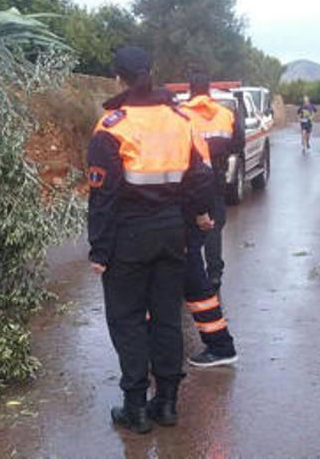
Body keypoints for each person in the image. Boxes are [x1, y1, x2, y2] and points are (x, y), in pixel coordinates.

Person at [88, 47, 215, 434]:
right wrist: (197, 219)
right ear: (150, 73)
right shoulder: (180, 120)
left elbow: (103, 196)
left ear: (117, 79)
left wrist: (99, 249)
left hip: (128, 237)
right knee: (166, 319)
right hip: (171, 233)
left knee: (127, 321)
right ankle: (168, 404)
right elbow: (199, 178)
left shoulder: (111, 127)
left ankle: (135, 408)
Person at [178, 69, 240, 368]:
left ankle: (189, 278)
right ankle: (213, 275)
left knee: (188, 240)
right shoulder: (225, 113)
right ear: (210, 91)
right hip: (214, 177)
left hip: (185, 183)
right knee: (214, 229)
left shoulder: (179, 114)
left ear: (190, 90)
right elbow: (238, 144)